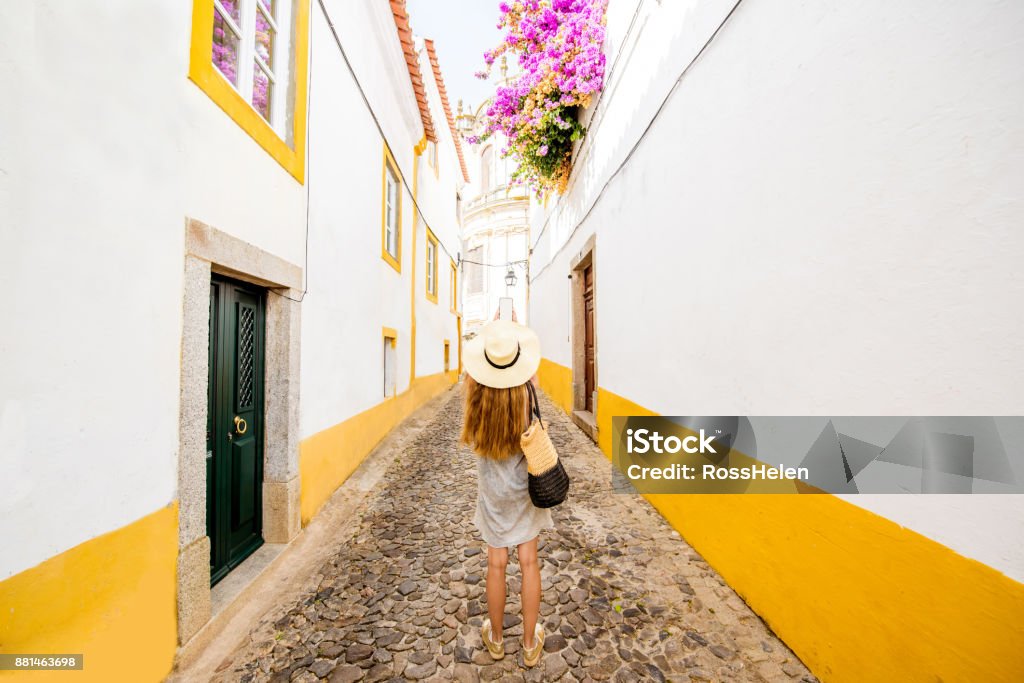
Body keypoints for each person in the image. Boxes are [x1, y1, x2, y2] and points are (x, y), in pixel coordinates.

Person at [460, 318, 553, 668]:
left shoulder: (476, 393)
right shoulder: (527, 392)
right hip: (526, 489)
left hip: (493, 493)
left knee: (495, 563)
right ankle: (530, 644)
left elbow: (470, 435)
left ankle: (496, 639)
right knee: (529, 563)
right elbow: (533, 377)